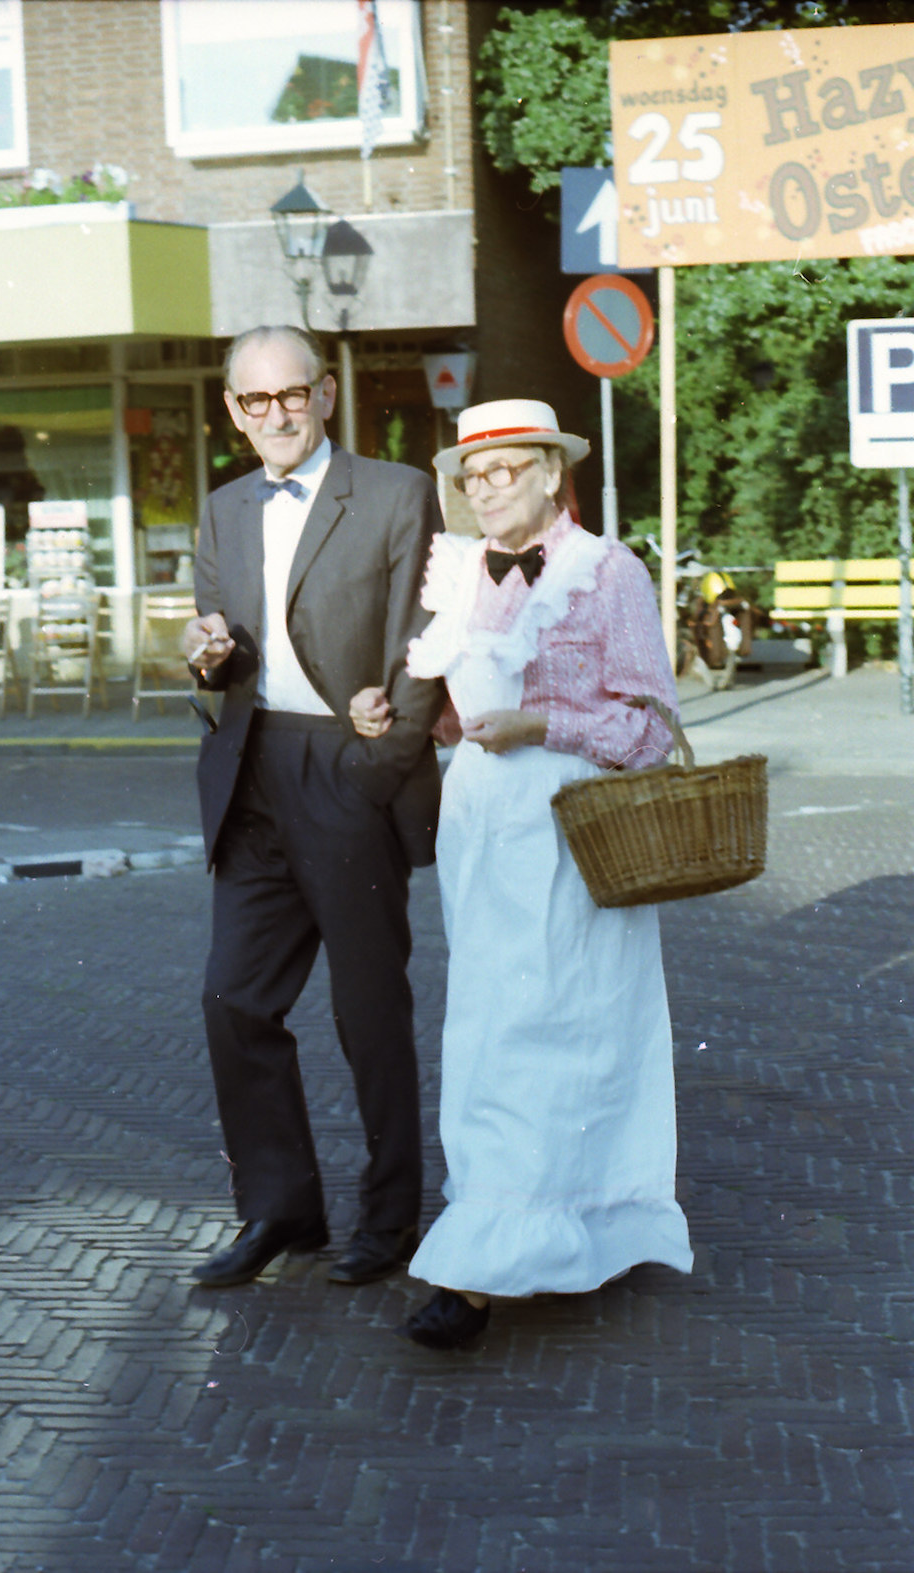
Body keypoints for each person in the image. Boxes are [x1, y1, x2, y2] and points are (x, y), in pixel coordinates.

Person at [352, 398, 694, 1350]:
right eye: (475, 474)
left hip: (576, 823)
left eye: (511, 468)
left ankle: (499, 1263)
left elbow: (651, 726)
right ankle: (513, 1234)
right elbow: (464, 711)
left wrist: (543, 725)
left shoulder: (606, 572)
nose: (491, 487)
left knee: (570, 1023)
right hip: (483, 822)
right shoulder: (459, 573)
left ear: (552, 471)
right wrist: (404, 712)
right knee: (492, 1025)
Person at [183, 324, 444, 1290]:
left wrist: (379, 770)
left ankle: (391, 1219)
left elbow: (426, 640)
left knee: (368, 1009)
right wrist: (208, 660)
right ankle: (281, 1209)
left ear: (325, 394)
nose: (277, 415)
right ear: (233, 413)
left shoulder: (393, 491)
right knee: (233, 997)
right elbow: (226, 658)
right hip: (254, 775)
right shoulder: (220, 511)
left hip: (350, 767)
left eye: (292, 394)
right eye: (256, 402)